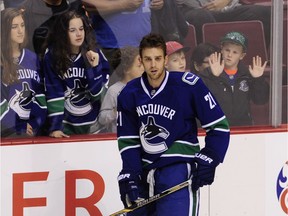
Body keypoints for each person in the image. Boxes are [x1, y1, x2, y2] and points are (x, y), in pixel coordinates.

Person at [116, 33, 230, 215]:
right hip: (144, 176)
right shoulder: (129, 93)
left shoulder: (189, 86)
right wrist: (130, 172)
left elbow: (218, 126)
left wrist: (210, 156)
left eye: (158, 59)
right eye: (148, 59)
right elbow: (129, 140)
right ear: (141, 60)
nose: (153, 65)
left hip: (178, 172)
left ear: (165, 59)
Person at [42, 10, 110, 138]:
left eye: (81, 29)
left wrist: (94, 68)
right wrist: (55, 127)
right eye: (72, 30)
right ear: (63, 33)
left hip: (94, 128)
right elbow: (54, 93)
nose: (79, 34)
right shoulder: (52, 56)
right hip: (66, 129)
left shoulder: (95, 53)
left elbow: (97, 95)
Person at [198, 31, 269, 126]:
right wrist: (214, 78)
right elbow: (201, 102)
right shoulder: (207, 73)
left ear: (242, 56)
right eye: (227, 50)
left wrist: (258, 79)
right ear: (221, 49)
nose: (230, 55)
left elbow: (260, 100)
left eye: (235, 52)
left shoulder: (248, 74)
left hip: (243, 128)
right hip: (216, 127)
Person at [0, 8, 47, 137]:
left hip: (32, 130)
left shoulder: (32, 58)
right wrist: (17, 124)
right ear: (4, 30)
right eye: (14, 27)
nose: (20, 31)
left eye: (22, 25)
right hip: (6, 132)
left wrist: (36, 122)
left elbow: (40, 95)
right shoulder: (1, 61)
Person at [91, 46, 144, 133]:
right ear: (126, 69)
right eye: (139, 65)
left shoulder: (146, 88)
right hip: (119, 140)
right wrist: (115, 111)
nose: (143, 68)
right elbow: (102, 118)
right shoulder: (114, 91)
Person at [176, 0, 271, 46]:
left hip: (228, 8)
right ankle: (213, 62)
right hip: (193, 9)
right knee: (201, 16)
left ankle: (260, 59)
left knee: (266, 13)